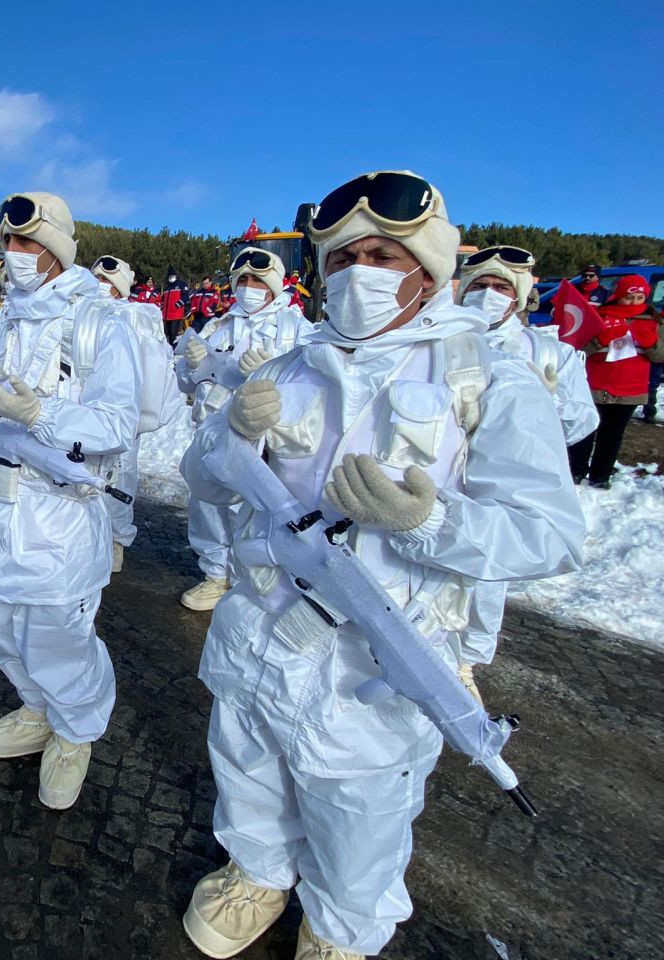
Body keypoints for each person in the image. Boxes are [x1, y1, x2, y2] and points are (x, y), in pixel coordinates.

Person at [179, 171, 584, 959]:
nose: (358, 272)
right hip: (259, 631)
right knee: (247, 768)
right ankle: (257, 872)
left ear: (427, 271)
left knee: (357, 814)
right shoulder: (288, 367)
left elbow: (550, 535)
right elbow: (204, 479)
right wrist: (230, 434)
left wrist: (429, 521)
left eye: (382, 256)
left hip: (371, 660)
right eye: (342, 258)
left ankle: (340, 927)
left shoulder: (485, 378)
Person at [0, 192, 140, 810]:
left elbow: (117, 425)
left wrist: (41, 414)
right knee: (0, 628)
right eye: (9, 241)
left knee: (58, 640)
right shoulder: (8, 318)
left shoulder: (99, 321)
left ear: (54, 250)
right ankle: (36, 707)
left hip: (59, 511)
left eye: (26, 241)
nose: (14, 253)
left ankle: (75, 731)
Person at [454, 244, 598, 696]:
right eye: (479, 285)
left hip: (503, 476)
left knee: (486, 574)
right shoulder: (445, 342)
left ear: (518, 297)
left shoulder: (550, 352)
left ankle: (466, 663)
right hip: (448, 474)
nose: (488, 294)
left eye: (500, 287)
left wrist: (544, 407)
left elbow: (581, 423)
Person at [175, 247, 311, 611]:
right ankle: (215, 575)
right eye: (243, 279)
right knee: (207, 505)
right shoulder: (218, 326)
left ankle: (245, 581)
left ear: (274, 285)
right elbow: (187, 385)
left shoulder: (297, 330)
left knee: (250, 512)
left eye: (258, 280)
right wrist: (191, 367)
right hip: (211, 433)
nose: (249, 287)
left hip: (261, 443)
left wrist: (268, 374)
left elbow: (309, 393)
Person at [92, 253, 180, 573]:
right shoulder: (83, 314)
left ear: (120, 286)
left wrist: (139, 417)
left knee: (119, 477)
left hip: (124, 416)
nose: (100, 284)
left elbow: (153, 372)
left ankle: (116, 540)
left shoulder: (137, 317)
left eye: (106, 280)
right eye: (97, 278)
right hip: (87, 414)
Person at [568, 274, 664, 488]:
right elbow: (578, 350)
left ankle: (600, 476)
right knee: (584, 431)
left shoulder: (654, 320)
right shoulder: (598, 316)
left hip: (629, 389)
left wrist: (651, 343)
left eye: (640, 297)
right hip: (594, 385)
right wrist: (599, 340)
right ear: (618, 296)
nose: (634, 302)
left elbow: (660, 356)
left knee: (612, 436)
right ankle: (575, 471)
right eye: (629, 297)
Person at [162, 269, 190, 343]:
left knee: (173, 333)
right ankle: (168, 347)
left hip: (175, 313)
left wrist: (178, 304)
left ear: (176, 276)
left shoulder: (181, 284)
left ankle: (173, 347)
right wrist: (162, 307)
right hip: (166, 314)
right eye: (169, 277)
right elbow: (163, 299)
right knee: (166, 333)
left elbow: (186, 296)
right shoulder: (167, 286)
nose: (171, 278)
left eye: (172, 276)